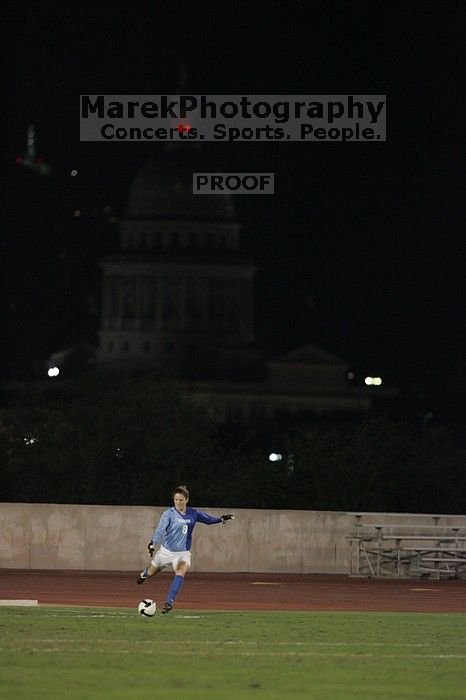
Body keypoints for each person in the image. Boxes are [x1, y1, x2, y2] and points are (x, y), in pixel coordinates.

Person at [136, 485, 234, 614]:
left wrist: (220, 519)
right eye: (176, 500)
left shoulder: (194, 513)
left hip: (182, 554)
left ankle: (169, 602)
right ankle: (144, 574)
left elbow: (208, 519)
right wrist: (152, 543)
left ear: (187, 500)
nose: (178, 502)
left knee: (181, 571)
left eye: (181, 500)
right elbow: (160, 530)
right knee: (153, 571)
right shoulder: (168, 514)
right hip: (166, 552)